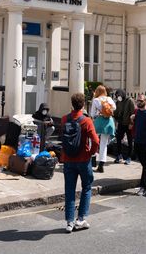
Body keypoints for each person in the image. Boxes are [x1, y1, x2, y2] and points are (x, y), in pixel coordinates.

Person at [61, 92, 99, 233]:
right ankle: (81, 219)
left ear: (72, 104)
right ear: (83, 105)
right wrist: (90, 153)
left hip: (68, 160)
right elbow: (95, 141)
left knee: (69, 190)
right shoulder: (86, 121)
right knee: (87, 188)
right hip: (83, 160)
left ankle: (69, 222)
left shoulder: (64, 119)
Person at [90, 85, 115, 173]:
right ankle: (101, 164)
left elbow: (92, 114)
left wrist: (97, 114)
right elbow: (114, 108)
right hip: (109, 122)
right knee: (104, 144)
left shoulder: (96, 100)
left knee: (93, 141)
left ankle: (92, 161)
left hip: (99, 121)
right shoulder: (109, 99)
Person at [113, 89, 135, 165]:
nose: (118, 97)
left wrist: (131, 123)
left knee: (129, 140)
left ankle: (129, 157)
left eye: (118, 95)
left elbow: (133, 113)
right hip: (121, 123)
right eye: (117, 96)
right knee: (118, 139)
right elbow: (116, 111)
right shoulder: (119, 101)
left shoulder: (130, 101)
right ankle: (119, 155)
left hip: (128, 124)